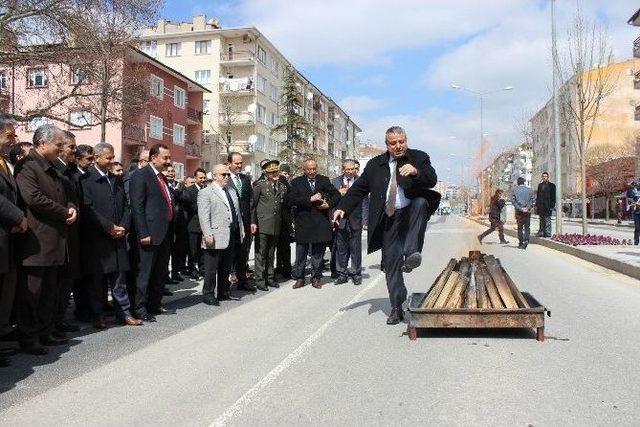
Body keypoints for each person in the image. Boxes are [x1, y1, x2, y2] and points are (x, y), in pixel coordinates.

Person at [334, 126, 438, 325]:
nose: (398, 146)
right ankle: (397, 307)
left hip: (411, 214)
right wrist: (342, 207)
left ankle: (411, 252)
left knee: (420, 202)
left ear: (406, 140)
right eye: (393, 143)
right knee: (391, 266)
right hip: (389, 218)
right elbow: (359, 189)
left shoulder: (419, 157)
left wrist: (416, 172)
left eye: (402, 141)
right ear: (387, 145)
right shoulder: (375, 164)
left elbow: (431, 179)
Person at [15, 124, 78, 354]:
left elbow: (65, 193)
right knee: (32, 293)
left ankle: (45, 331)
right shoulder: (27, 166)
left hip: (55, 241)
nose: (61, 149)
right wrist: (64, 212)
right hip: (37, 241)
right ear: (42, 143)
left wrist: (70, 207)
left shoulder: (51, 167)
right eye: (58, 144)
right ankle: (29, 337)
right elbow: (33, 198)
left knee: (49, 292)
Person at [81, 143, 142, 328]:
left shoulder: (115, 179)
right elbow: (88, 208)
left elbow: (125, 206)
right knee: (97, 280)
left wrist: (123, 226)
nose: (111, 161)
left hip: (118, 238)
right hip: (99, 238)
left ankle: (123, 313)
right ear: (97, 157)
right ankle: (98, 314)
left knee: (119, 280)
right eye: (107, 157)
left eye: (112, 156)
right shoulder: (86, 180)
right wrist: (109, 227)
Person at [129, 143, 175, 322]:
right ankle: (139, 308)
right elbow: (137, 206)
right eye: (165, 158)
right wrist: (142, 232)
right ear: (154, 158)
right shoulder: (141, 175)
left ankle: (154, 304)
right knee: (144, 273)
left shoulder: (162, 177)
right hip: (149, 234)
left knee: (160, 272)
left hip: (164, 233)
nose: (168, 161)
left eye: (169, 158)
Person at [0, 116, 28, 366]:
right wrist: (19, 217)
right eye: (9, 135)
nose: (13, 140)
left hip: (7, 238)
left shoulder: (6, 162)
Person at [289, 159, 340, 289]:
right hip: (303, 222)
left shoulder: (324, 180)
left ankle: (316, 278)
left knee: (318, 254)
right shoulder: (296, 182)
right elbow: (291, 200)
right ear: (304, 169)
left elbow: (336, 194)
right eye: (309, 169)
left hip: (320, 222)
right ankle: (299, 278)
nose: (312, 172)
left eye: (314, 169)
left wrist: (328, 205)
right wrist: (310, 199)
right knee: (301, 254)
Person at [198, 164, 243, 305]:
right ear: (215, 176)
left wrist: (241, 228)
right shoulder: (206, 192)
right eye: (223, 174)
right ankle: (208, 294)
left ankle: (223, 292)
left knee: (226, 266)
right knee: (211, 269)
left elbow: (236, 211)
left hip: (230, 233)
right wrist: (207, 234)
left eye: (228, 174)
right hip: (214, 234)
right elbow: (203, 216)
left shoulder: (230, 191)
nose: (226, 177)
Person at [251, 160, 287, 291]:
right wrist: (253, 222)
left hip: (276, 224)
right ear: (266, 173)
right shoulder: (259, 185)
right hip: (262, 224)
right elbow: (253, 206)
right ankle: (260, 280)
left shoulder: (282, 187)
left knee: (271, 253)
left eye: (276, 171)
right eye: (271, 172)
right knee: (261, 253)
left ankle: (270, 278)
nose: (275, 174)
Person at [331, 160, 364, 286]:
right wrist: (339, 194)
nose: (351, 172)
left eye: (353, 169)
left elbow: (365, 201)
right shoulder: (335, 182)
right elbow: (331, 201)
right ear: (343, 169)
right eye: (348, 169)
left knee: (356, 248)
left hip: (356, 219)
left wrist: (365, 219)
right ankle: (342, 274)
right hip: (341, 220)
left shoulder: (361, 181)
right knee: (341, 248)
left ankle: (356, 273)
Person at [227, 152, 255, 292]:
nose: (239, 165)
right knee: (229, 252)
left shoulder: (245, 179)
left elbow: (251, 201)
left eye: (240, 163)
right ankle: (227, 282)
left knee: (243, 252)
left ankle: (242, 281)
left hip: (245, 222)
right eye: (236, 163)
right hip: (231, 223)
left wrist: (252, 221)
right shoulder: (225, 179)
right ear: (229, 164)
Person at [181, 168, 207, 280]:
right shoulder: (189, 191)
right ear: (195, 178)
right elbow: (189, 207)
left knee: (203, 249)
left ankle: (202, 269)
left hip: (205, 225)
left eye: (204, 177)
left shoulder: (207, 189)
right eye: (200, 178)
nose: (202, 180)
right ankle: (192, 269)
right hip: (194, 224)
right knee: (193, 250)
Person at [275, 163, 293, 280]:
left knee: (283, 246)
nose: (285, 176)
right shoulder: (281, 184)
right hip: (280, 219)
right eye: (283, 173)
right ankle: (282, 268)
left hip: (284, 220)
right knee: (281, 246)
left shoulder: (288, 184)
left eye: (287, 174)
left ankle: (283, 268)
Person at [512, 176, 536, 249]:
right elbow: (532, 200)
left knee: (520, 227)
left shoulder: (514, 190)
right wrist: (527, 208)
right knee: (527, 227)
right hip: (527, 212)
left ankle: (520, 242)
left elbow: (513, 201)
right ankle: (526, 241)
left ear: (518, 183)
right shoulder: (529, 190)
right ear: (524, 182)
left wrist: (520, 208)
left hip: (519, 212)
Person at [535, 172, 556, 237]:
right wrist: (536, 205)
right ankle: (541, 232)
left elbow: (553, 196)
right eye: (543, 176)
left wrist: (552, 205)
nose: (544, 177)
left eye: (546, 176)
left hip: (548, 205)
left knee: (547, 220)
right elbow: (538, 196)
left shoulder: (552, 185)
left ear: (548, 177)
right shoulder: (540, 185)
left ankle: (548, 233)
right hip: (541, 206)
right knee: (541, 220)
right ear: (542, 177)